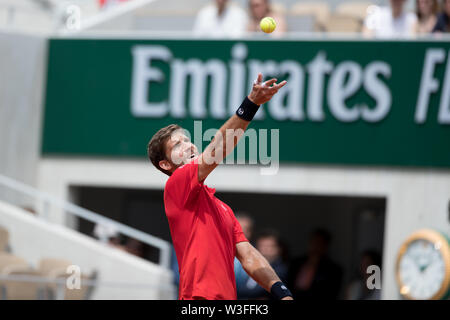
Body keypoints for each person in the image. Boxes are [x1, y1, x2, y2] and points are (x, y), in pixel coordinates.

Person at [147, 73, 293, 300]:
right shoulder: (176, 185)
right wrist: (250, 104)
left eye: (186, 139)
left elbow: (248, 256)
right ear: (166, 164)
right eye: (177, 144)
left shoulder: (223, 209)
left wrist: (280, 291)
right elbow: (216, 150)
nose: (187, 145)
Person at [288, 228, 342, 300]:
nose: (315, 245)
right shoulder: (296, 263)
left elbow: (330, 293)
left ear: (325, 246)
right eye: (313, 241)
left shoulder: (333, 270)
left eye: (319, 243)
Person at [237, 230, 289, 299]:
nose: (265, 249)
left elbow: (260, 292)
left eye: (270, 246)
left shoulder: (281, 270)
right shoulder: (248, 265)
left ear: (279, 249)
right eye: (262, 246)